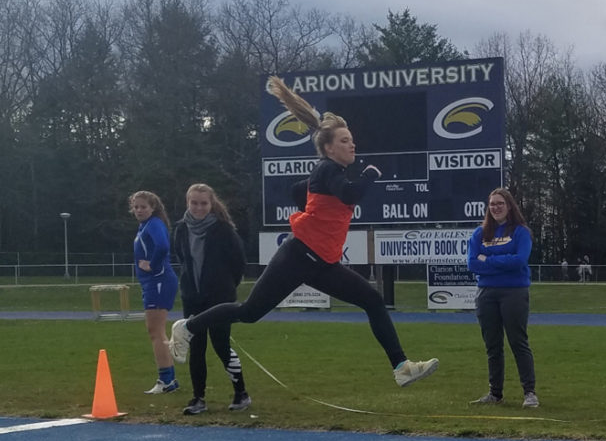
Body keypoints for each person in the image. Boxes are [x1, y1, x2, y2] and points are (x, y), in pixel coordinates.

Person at [169, 76, 438, 387]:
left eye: (352, 139)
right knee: (249, 312)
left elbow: (300, 191)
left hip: (322, 262)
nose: (352, 144)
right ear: (327, 148)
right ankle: (187, 327)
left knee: (373, 301)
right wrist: (370, 175)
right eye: (344, 141)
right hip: (298, 256)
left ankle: (401, 368)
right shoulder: (328, 169)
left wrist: (312, 202)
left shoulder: (326, 173)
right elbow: (350, 194)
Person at [171, 183, 252, 416]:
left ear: (211, 204)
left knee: (221, 344)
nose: (198, 207)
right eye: (194, 203)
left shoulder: (223, 229)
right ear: (188, 203)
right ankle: (198, 398)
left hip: (219, 298)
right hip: (192, 297)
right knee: (196, 346)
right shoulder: (181, 229)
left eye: (203, 203)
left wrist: (226, 287)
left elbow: (238, 262)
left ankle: (241, 393)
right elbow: (182, 258)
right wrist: (189, 285)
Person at [467, 187, 538, 409]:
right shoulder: (480, 233)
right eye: (492, 204)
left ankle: (529, 393)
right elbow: (472, 263)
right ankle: (495, 393)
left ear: (509, 206)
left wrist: (487, 260)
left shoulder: (520, 232)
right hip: (487, 293)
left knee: (518, 342)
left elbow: (519, 261)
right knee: (492, 345)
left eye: (500, 203)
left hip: (514, 292)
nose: (496, 207)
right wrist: (499, 261)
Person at [130, 190, 179, 395]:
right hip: (152, 282)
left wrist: (153, 265)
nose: (139, 210)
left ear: (153, 208)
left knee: (155, 331)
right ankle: (169, 379)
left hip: (159, 280)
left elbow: (163, 246)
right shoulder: (145, 226)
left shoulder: (155, 224)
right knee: (156, 331)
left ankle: (166, 380)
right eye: (136, 207)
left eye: (143, 207)